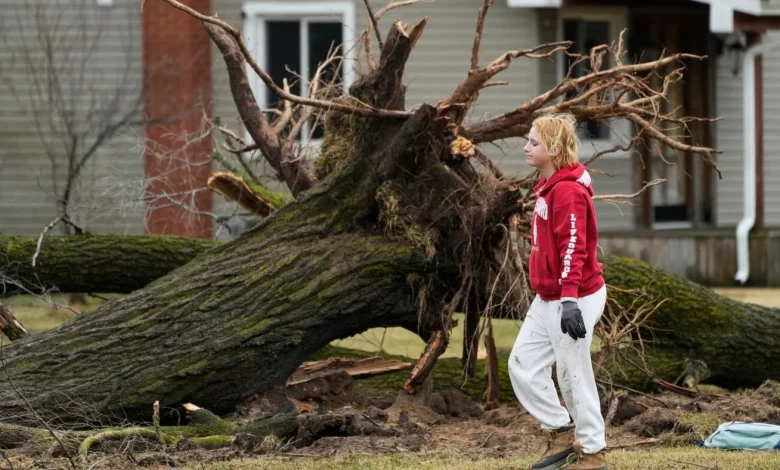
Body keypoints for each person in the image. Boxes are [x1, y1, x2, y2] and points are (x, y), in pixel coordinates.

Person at [508, 113, 608, 470]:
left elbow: (573, 248)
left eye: (533, 142)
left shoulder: (567, 191)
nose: (526, 147)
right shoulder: (549, 186)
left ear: (552, 148)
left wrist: (569, 301)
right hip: (551, 296)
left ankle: (594, 454)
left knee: (572, 372)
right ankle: (562, 434)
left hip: (575, 297)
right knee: (523, 365)